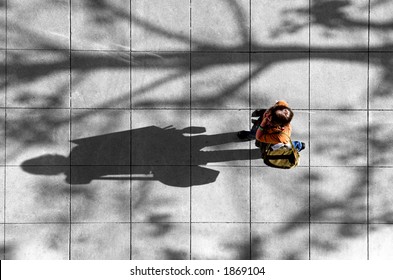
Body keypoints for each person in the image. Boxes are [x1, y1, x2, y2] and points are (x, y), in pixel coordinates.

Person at [237, 100, 305, 152]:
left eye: (270, 118)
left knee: (282, 146)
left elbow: (259, 137)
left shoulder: (281, 136)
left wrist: (263, 123)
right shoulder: (281, 104)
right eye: (270, 111)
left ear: (278, 124)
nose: (266, 115)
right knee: (255, 131)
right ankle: (251, 135)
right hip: (265, 127)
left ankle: (297, 146)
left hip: (271, 138)